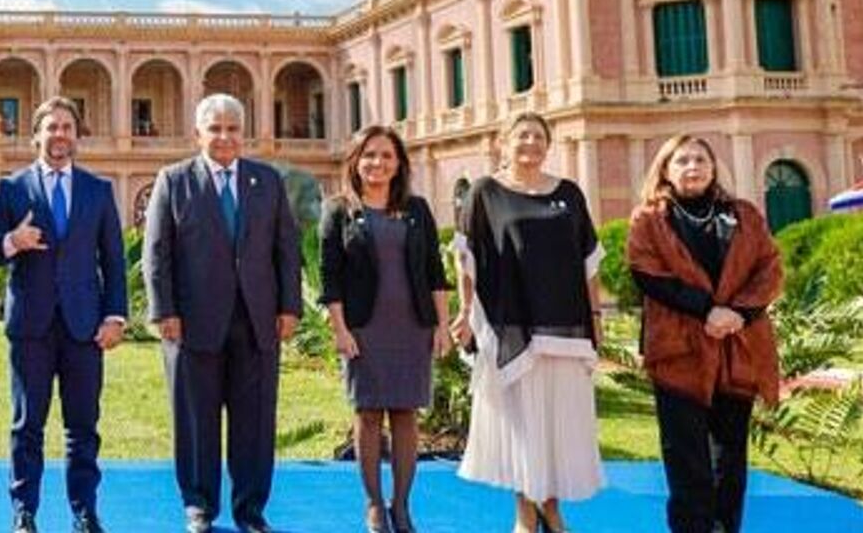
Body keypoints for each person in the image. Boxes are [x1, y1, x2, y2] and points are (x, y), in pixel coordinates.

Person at [143, 93, 303, 533]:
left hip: (257, 321)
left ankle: (250, 510)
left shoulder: (266, 181)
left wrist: (290, 306)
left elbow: (286, 250)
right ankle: (199, 506)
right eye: (214, 128)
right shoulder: (173, 180)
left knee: (254, 422)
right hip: (192, 323)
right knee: (196, 420)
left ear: (243, 133)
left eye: (233, 128)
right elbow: (156, 253)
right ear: (198, 134)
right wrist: (164, 311)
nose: (224, 136)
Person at [0, 96, 128, 533]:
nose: (59, 134)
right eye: (51, 127)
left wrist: (115, 315)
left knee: (83, 427)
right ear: (35, 135)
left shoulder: (98, 190)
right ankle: (24, 512)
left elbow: (113, 260)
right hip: (31, 326)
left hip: (84, 327)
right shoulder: (12, 188)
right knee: (27, 425)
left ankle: (84, 512)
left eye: (67, 127)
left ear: (76, 136)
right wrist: (11, 242)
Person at [451, 111, 605, 533]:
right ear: (504, 142)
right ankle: (525, 510)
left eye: (538, 136)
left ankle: (552, 508)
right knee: (523, 424)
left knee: (557, 424)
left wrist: (596, 316)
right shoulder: (484, 193)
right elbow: (466, 257)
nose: (531, 143)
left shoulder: (569, 194)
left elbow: (589, 261)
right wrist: (465, 313)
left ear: (548, 143)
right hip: (512, 326)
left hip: (567, 327)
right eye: (522, 136)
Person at [627, 135, 782, 533]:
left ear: (713, 168)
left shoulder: (744, 215)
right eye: (682, 161)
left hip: (738, 351)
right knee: (687, 459)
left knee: (729, 460)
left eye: (700, 159)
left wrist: (739, 314)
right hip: (678, 356)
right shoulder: (648, 220)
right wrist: (707, 310)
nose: (692, 167)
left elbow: (769, 268)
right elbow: (648, 275)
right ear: (665, 169)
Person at [318, 125, 451, 533]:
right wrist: (341, 330)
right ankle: (374, 504)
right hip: (364, 328)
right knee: (369, 413)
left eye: (387, 156)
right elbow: (330, 277)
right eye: (370, 155)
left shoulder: (418, 209)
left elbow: (434, 271)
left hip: (412, 326)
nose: (378, 163)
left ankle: (402, 505)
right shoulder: (339, 209)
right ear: (356, 161)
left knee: (406, 413)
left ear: (399, 165)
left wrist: (442, 325)